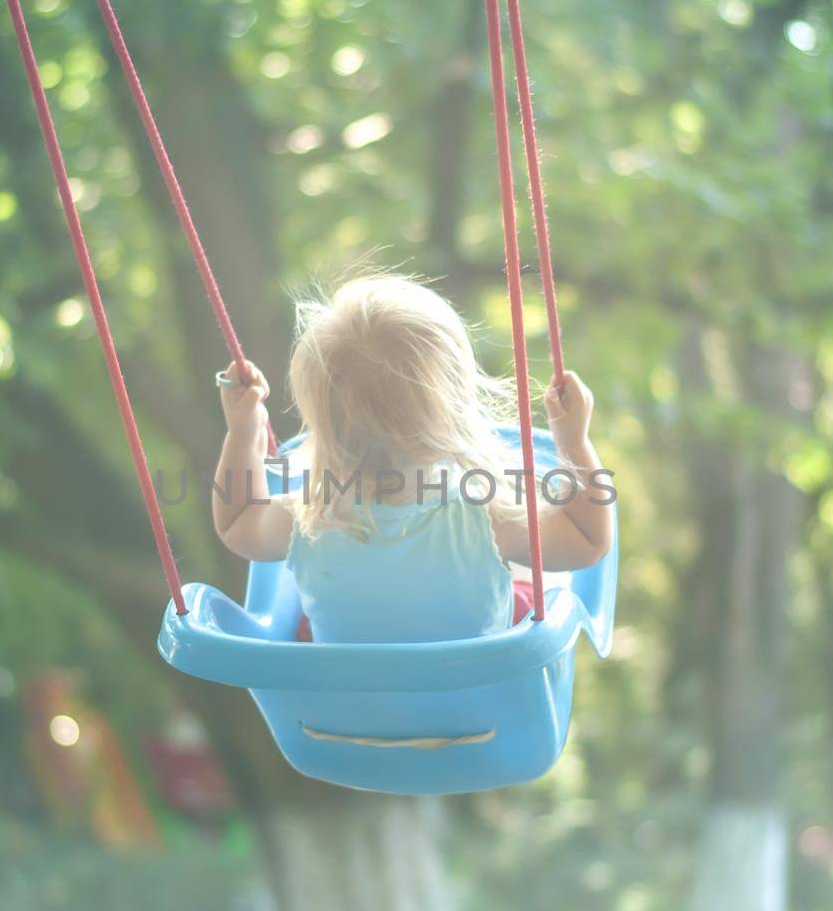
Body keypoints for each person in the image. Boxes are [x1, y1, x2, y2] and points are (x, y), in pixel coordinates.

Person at [212, 275, 612, 644]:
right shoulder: (485, 520)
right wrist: (572, 442)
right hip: (475, 713)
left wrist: (243, 432)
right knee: (530, 584)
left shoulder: (303, 521)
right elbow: (587, 541)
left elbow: (237, 520)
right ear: (455, 409)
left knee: (307, 612)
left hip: (344, 716)